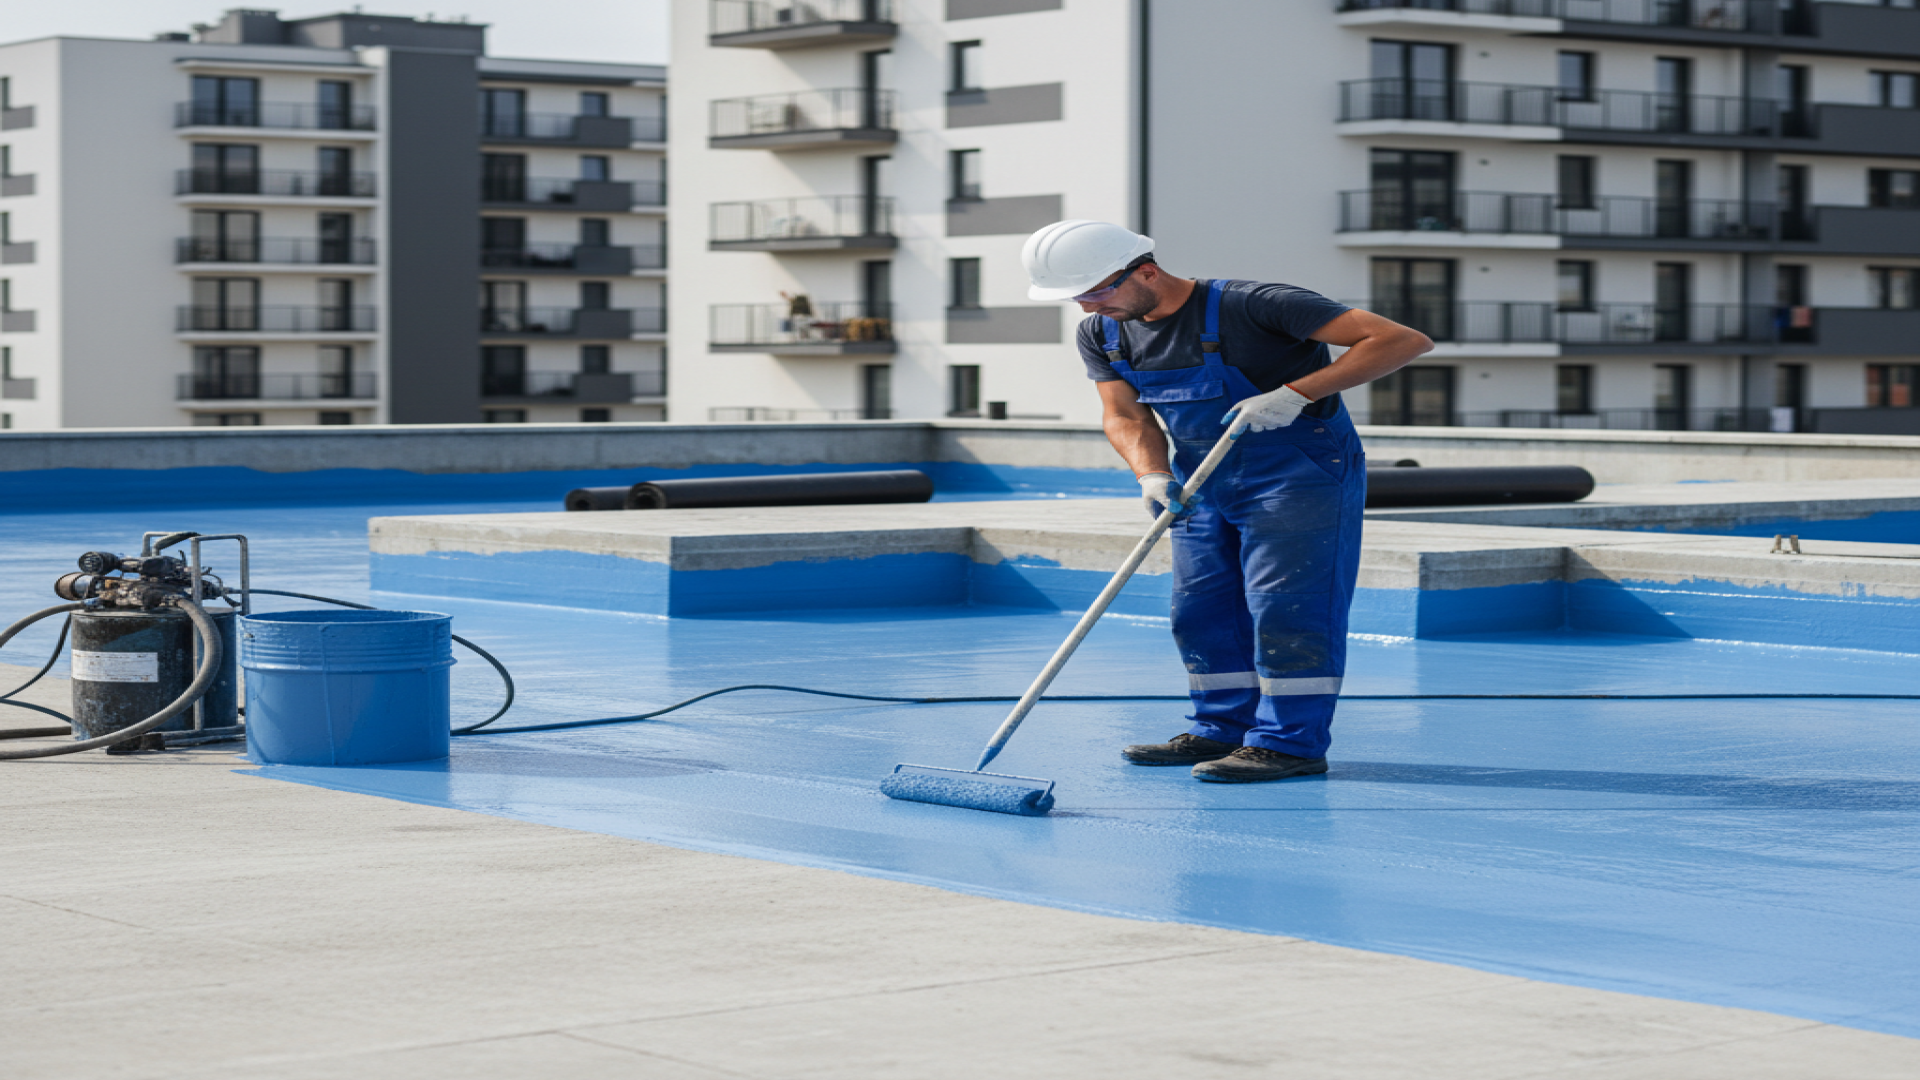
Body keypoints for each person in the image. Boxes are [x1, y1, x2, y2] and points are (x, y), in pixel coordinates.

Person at [1022, 220, 1433, 783]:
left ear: (1144, 270)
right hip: (1198, 482)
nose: (1087, 306)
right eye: (1078, 296)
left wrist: (1297, 392)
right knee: (1200, 612)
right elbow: (1123, 414)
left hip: (1297, 472)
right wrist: (1150, 474)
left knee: (1290, 608)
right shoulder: (1104, 332)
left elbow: (1401, 339)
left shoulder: (1257, 305)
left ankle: (1290, 744)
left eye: (1096, 291)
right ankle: (1220, 729)